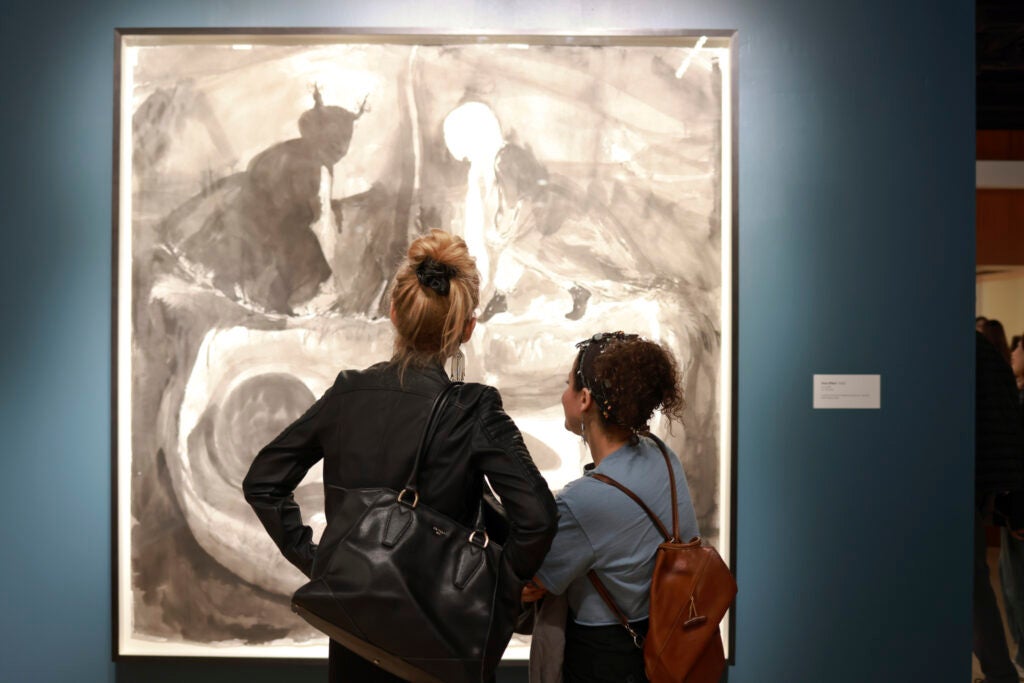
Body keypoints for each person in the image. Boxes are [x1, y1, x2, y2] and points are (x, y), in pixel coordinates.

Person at [242, 229, 558, 682]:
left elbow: (264, 482)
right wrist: (500, 585)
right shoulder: (473, 410)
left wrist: (319, 561)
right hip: (439, 643)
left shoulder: (348, 393)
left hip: (354, 635)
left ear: (394, 314)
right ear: (467, 329)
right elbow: (538, 518)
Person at [522, 332, 699, 683]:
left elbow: (532, 584)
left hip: (605, 655)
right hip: (665, 640)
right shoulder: (663, 455)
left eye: (568, 385)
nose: (563, 395)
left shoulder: (583, 501)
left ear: (585, 399)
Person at [974, 331, 1024, 683]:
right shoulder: (984, 354)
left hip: (975, 486)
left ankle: (1002, 672)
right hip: (984, 487)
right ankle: (1002, 672)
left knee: (988, 584)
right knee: (982, 583)